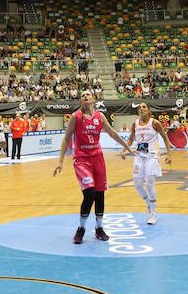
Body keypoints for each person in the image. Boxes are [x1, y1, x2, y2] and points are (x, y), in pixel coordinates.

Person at [53, 91, 135, 244]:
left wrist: (127, 147)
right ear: (80, 101)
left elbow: (112, 133)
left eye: (88, 95)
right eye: (83, 95)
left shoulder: (100, 116)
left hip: (97, 157)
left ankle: (99, 228)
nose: (85, 96)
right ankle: (81, 229)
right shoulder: (75, 117)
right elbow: (66, 138)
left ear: (93, 99)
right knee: (89, 193)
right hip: (82, 159)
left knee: (100, 194)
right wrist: (60, 161)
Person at [122, 103, 172, 225]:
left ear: (149, 110)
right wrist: (124, 150)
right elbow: (131, 139)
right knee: (138, 184)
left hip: (152, 156)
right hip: (139, 156)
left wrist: (169, 154)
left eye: (144, 107)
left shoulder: (154, 123)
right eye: (140, 107)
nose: (141, 109)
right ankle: (148, 203)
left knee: (149, 182)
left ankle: (153, 213)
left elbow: (165, 138)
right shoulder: (135, 124)